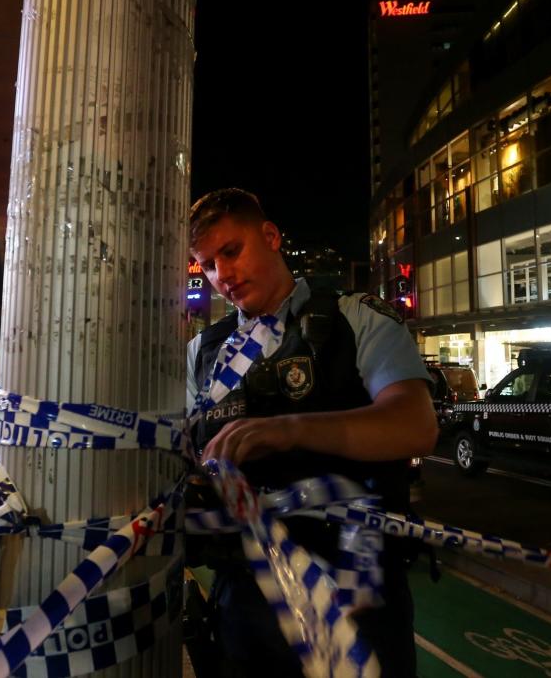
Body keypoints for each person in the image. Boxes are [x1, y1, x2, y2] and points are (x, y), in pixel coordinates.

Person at [186, 188, 437, 678]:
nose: (223, 276)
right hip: (246, 603)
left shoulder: (355, 319)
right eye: (208, 265)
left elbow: (415, 424)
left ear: (271, 236)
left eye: (231, 251)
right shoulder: (204, 352)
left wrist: (287, 430)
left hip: (356, 602)